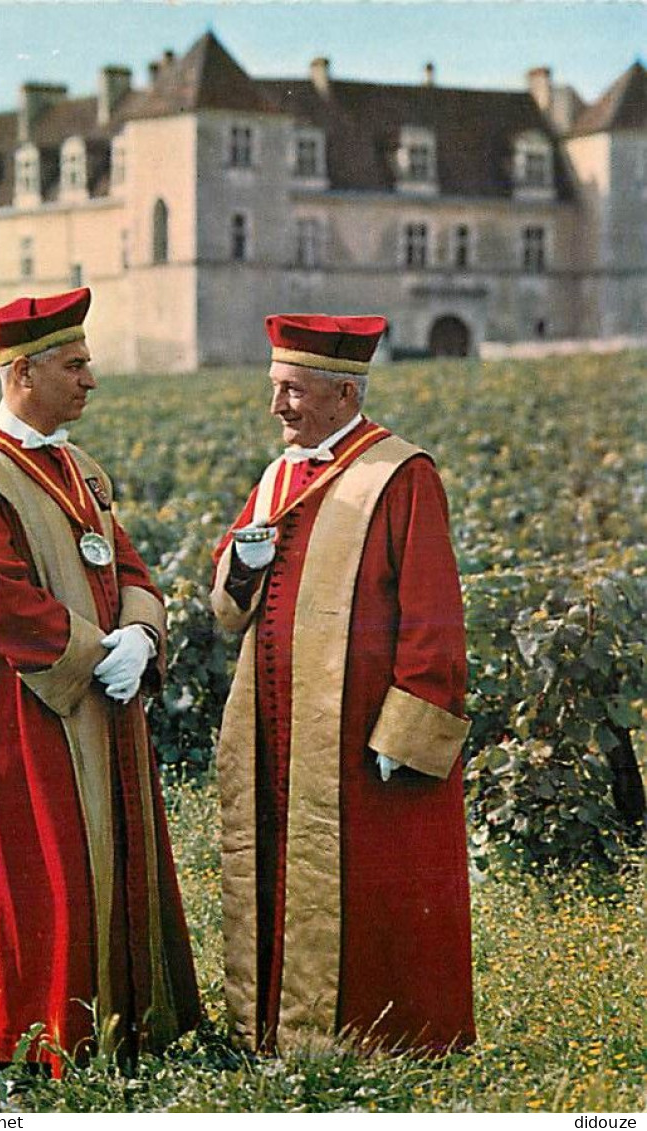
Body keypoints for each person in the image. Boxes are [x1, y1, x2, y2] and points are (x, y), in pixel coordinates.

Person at [0, 288, 200, 1078]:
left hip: (103, 697)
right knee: (42, 867)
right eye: (74, 365)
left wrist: (141, 635)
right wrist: (89, 653)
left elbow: (132, 566)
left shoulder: (80, 467)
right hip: (26, 707)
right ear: (22, 372)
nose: (91, 379)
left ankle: (132, 1025)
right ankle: (46, 1040)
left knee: (111, 859)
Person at [211, 313, 475, 1056]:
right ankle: (269, 1028)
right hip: (276, 722)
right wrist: (242, 563)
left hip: (355, 726)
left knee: (369, 883)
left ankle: (367, 1038)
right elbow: (227, 601)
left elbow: (432, 609)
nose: (278, 408)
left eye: (291, 390)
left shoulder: (399, 473)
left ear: (341, 391)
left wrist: (412, 723)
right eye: (274, 389)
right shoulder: (277, 476)